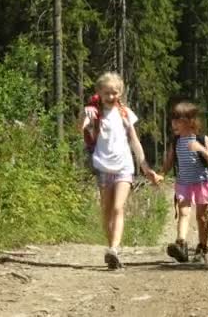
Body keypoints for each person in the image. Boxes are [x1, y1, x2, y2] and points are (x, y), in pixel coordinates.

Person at [82, 72, 163, 270]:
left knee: (118, 208)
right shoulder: (94, 112)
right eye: (107, 92)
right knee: (106, 211)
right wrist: (85, 117)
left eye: (115, 92)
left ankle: (115, 249)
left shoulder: (125, 113)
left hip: (124, 167)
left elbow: (135, 141)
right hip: (103, 167)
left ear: (121, 92)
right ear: (99, 92)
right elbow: (83, 128)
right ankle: (111, 249)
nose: (111, 96)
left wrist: (145, 168)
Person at [160, 101, 208, 263]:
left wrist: (200, 149)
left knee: (201, 217)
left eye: (177, 120)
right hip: (183, 183)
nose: (173, 123)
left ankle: (202, 247)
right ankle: (181, 245)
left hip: (202, 183)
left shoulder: (202, 138)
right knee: (184, 213)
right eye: (173, 120)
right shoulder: (176, 141)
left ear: (189, 121)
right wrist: (161, 174)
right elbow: (169, 161)